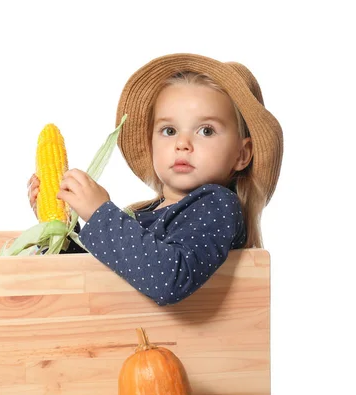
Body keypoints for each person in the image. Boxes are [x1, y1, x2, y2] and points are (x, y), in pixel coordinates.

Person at [27, 53, 283, 305]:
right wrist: (59, 228)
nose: (182, 144)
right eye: (169, 131)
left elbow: (170, 279)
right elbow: (104, 277)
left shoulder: (217, 206)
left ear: (242, 154)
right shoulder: (143, 214)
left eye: (206, 130)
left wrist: (99, 214)